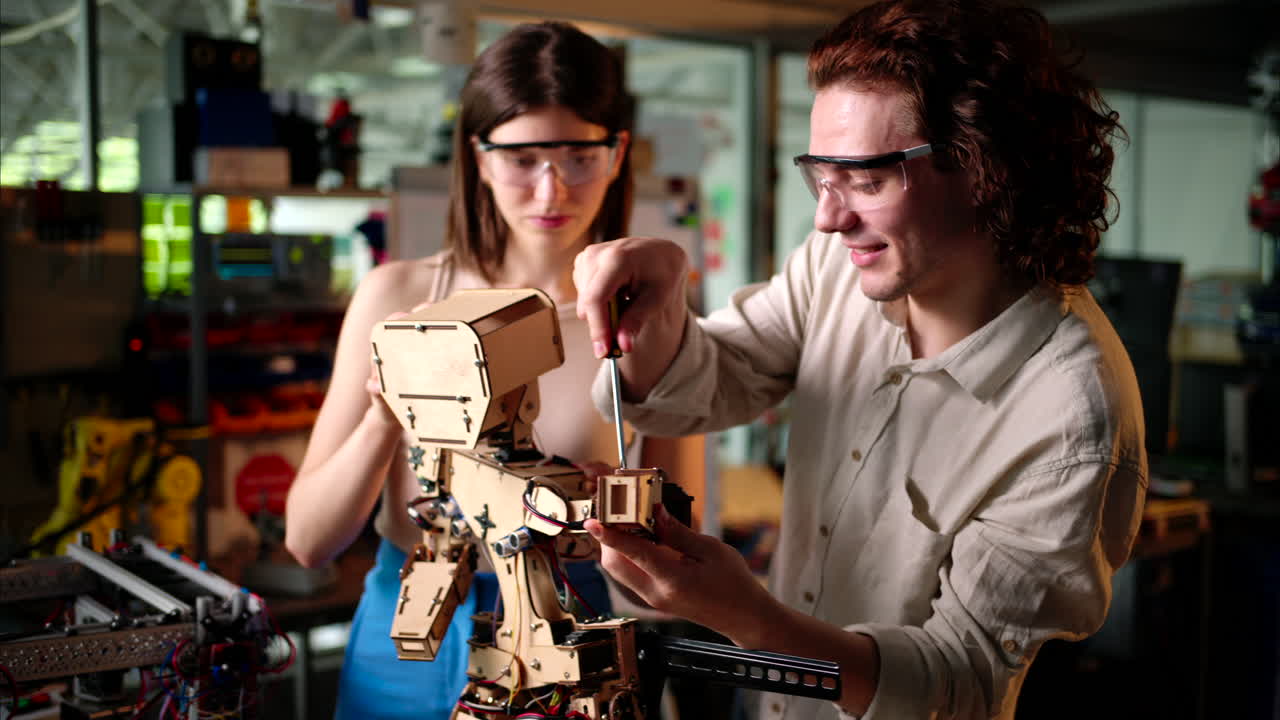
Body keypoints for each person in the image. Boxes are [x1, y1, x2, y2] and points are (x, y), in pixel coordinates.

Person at [573, 1, 1147, 719]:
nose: (827, 216)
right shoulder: (842, 265)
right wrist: (659, 305)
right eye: (822, 175)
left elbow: (960, 683)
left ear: (985, 170)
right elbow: (719, 376)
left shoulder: (1071, 417)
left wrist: (749, 618)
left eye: (866, 181)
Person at [285, 21, 681, 720]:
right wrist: (388, 418)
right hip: (410, 620)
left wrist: (609, 523)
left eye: (579, 155)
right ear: (479, 154)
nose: (551, 187)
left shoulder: (646, 315)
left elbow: (675, 561)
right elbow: (310, 542)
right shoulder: (399, 299)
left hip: (565, 629)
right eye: (523, 158)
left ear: (617, 152)